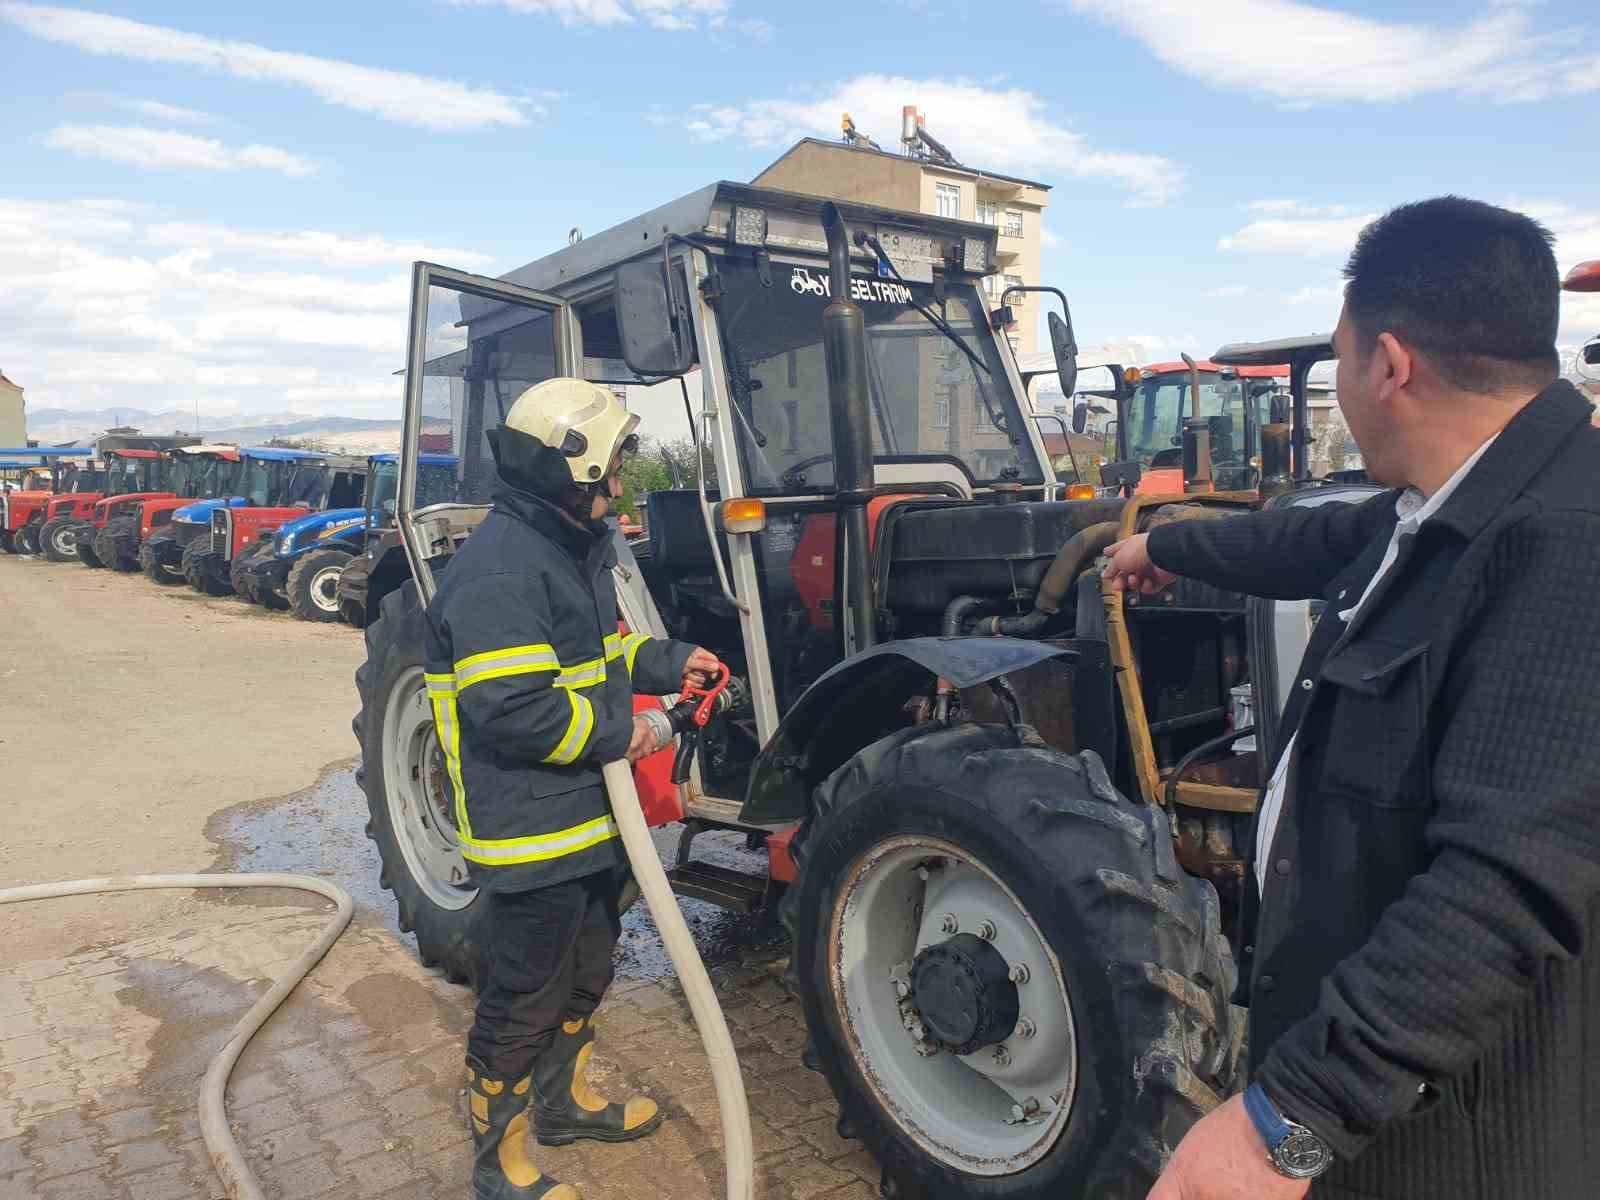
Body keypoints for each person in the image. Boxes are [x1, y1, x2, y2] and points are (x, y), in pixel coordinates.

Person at [1104, 198, 1600, 1199]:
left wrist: (1282, 1128)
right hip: (1379, 1112)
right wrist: (1163, 544)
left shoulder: (1566, 546)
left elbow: (1499, 892)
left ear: (1389, 366)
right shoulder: (1446, 503)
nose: (1340, 381)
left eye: (1339, 359)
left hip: (1451, 1143)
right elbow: (1311, 540)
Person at [425, 378, 719, 1200]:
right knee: (523, 996)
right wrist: (632, 733)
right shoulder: (501, 571)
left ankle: (563, 1106)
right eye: (611, 470)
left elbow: (597, 658)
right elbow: (514, 710)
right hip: (533, 833)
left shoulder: (560, 550)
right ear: (569, 467)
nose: (619, 488)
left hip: (586, 819)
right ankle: (499, 1164)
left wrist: (673, 662)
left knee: (588, 968)